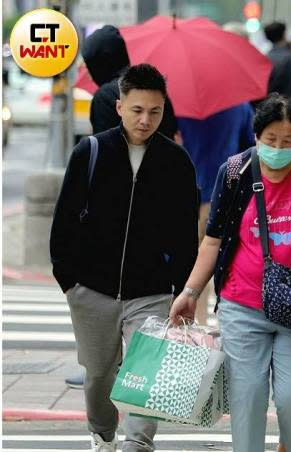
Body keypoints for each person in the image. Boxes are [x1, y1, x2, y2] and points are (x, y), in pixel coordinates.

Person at [169, 94, 291, 452]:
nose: (277, 149)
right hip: (242, 305)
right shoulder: (235, 171)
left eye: (288, 142)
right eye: (270, 140)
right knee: (248, 398)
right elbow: (212, 242)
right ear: (256, 136)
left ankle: (288, 445)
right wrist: (191, 292)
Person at [50, 64, 199, 452]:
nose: (146, 119)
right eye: (137, 110)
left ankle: (138, 443)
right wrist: (69, 281)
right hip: (92, 290)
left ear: (164, 110)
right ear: (119, 107)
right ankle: (103, 435)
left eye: (154, 111)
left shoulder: (176, 162)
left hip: (151, 291)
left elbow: (186, 235)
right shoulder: (91, 151)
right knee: (98, 375)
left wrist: (184, 289)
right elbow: (64, 219)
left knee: (144, 373)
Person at [176, 103, 256, 325]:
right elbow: (251, 149)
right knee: (229, 259)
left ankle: (197, 323)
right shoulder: (239, 107)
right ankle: (225, 322)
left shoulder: (180, 106)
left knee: (194, 263)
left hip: (188, 192)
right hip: (230, 195)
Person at [81, 25, 178, 140]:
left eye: (90, 64)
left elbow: (105, 150)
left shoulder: (106, 97)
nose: (86, 71)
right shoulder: (156, 88)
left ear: (100, 64)